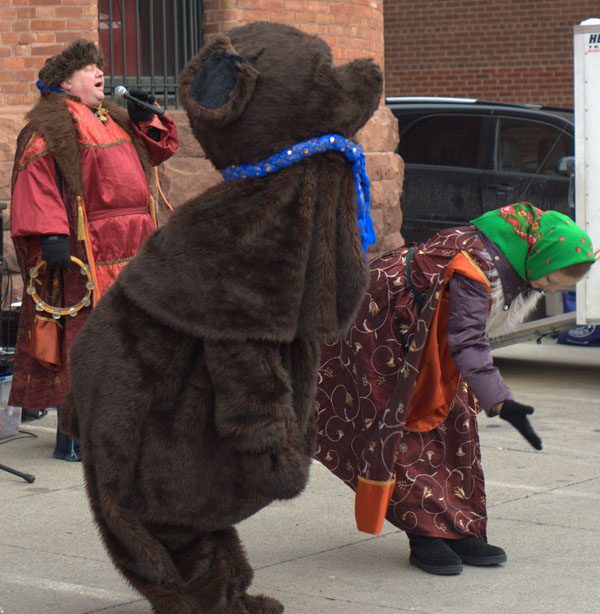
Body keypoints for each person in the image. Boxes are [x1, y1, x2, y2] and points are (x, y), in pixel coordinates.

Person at [315, 202, 595, 575]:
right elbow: (468, 343)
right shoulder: (475, 271)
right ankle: (424, 535)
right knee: (406, 423)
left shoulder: (520, 253)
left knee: (456, 418)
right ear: (539, 259)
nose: (546, 289)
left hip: (430, 330)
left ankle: (458, 527)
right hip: (383, 326)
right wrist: (502, 402)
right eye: (549, 282)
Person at [9, 39, 178, 460]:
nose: (100, 71)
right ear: (65, 81)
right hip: (89, 251)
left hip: (134, 247)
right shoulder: (51, 123)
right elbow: (36, 177)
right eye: (88, 67)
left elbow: (161, 150)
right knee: (88, 342)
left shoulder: (115, 116)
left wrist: (147, 118)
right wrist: (51, 234)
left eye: (99, 65)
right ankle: (76, 435)